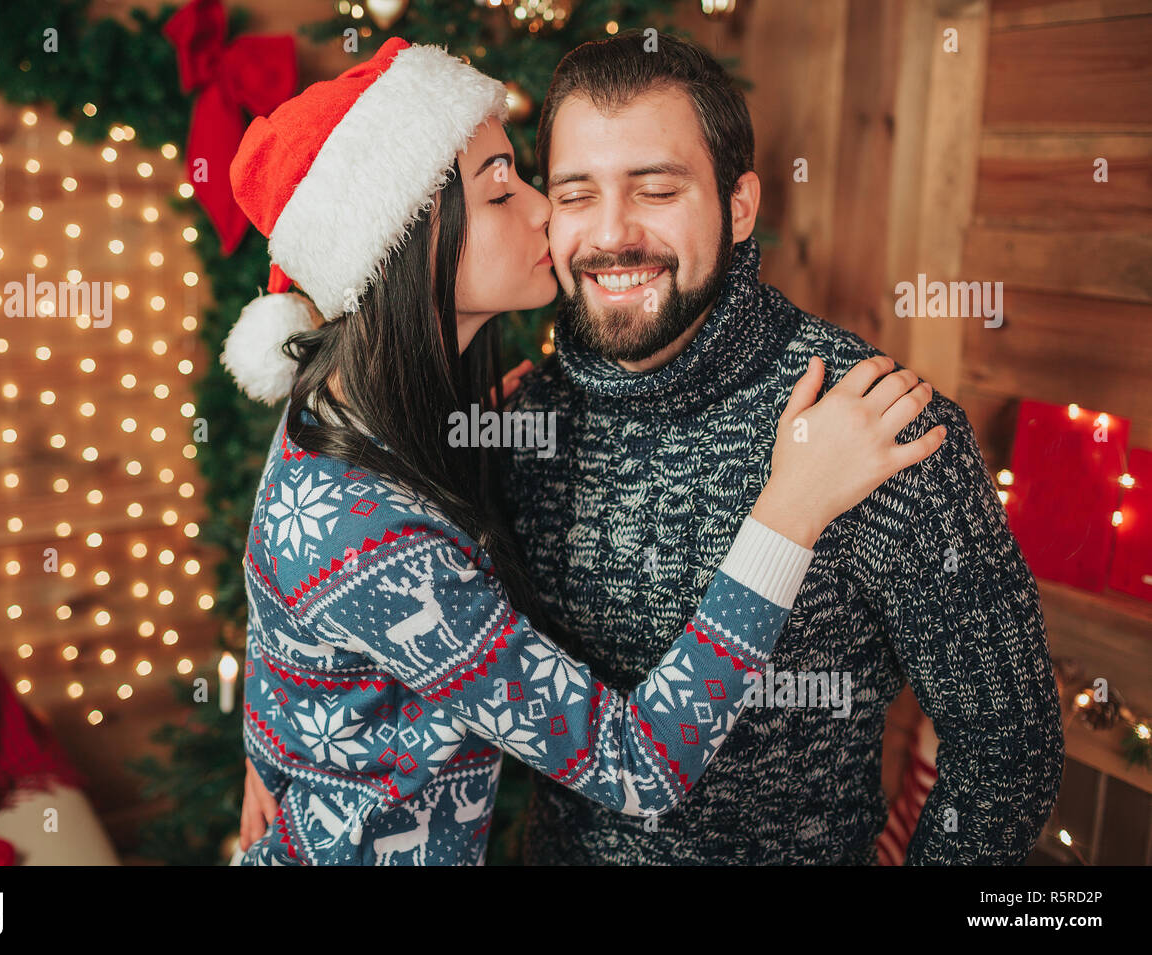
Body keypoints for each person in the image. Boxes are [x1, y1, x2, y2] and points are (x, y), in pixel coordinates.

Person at [224, 37, 942, 866]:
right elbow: (638, 764)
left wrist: (276, 734)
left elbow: (282, 586)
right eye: (502, 192)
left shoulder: (356, 414)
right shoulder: (366, 527)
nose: (546, 212)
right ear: (409, 244)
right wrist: (792, 506)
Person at [504, 31, 1065, 865]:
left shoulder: (875, 424)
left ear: (738, 205)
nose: (611, 234)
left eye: (655, 189)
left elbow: (1008, 746)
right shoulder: (519, 420)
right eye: (576, 193)